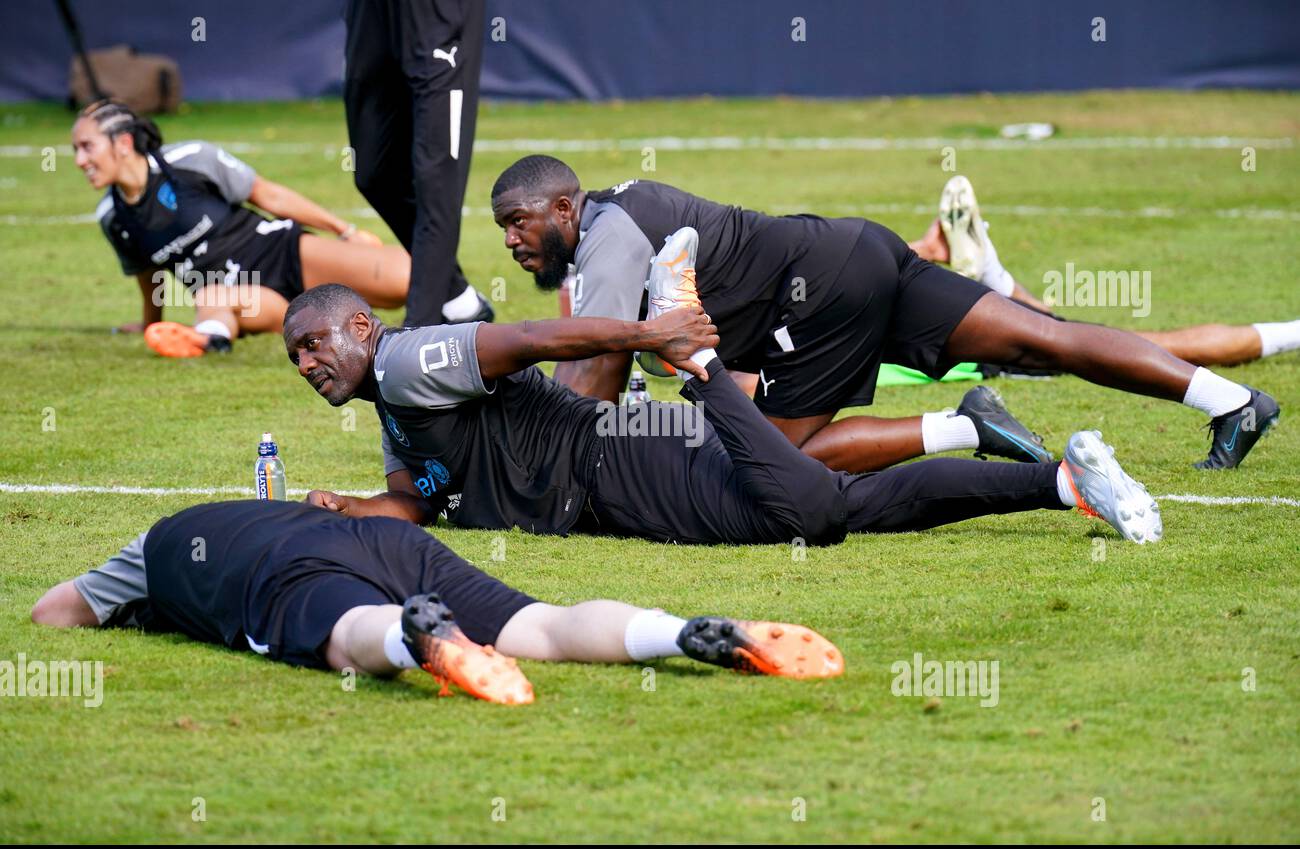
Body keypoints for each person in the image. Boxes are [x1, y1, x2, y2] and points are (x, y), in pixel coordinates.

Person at [288, 230, 1164, 549]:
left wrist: (652, 335)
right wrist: (342, 509)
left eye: (313, 342)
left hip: (618, 464)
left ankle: (695, 364)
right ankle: (1063, 482)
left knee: (818, 514)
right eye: (294, 357)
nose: (306, 363)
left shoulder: (405, 361)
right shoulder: (395, 414)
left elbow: (531, 338)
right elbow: (413, 501)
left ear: (362, 326)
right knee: (842, 503)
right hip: (614, 482)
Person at [490, 156, 1279, 472]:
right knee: (1044, 340)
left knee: (774, 467)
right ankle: (1231, 401)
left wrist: (518, 453)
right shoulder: (625, 213)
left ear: (565, 205)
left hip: (822, 293)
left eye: (519, 222)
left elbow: (586, 384)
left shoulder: (606, 239)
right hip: (854, 251)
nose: (514, 242)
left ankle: (968, 427)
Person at [30, 499, 846, 707]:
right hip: (382, 540)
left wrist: (139, 605)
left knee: (347, 636)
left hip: (281, 568)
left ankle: (416, 639)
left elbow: (54, 614)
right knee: (542, 629)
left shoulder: (157, 546)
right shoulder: (245, 510)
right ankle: (680, 634)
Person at [74, 100, 411, 358]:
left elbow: (268, 194)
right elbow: (149, 275)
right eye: (76, 149)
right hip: (242, 294)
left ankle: (455, 310)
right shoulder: (112, 216)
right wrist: (151, 324)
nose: (79, 161)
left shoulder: (192, 159)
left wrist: (345, 231)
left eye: (87, 146)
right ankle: (208, 340)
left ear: (123, 142)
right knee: (211, 297)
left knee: (405, 277)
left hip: (282, 251)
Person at [911, 174, 1300, 370]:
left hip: (960, 351)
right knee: (1065, 329)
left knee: (1146, 348)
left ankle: (989, 274)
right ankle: (988, 273)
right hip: (941, 340)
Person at [342, 0, 494, 327]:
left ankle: (417, 339)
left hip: (436, 14)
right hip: (374, 12)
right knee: (373, 174)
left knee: (436, 187)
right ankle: (459, 298)